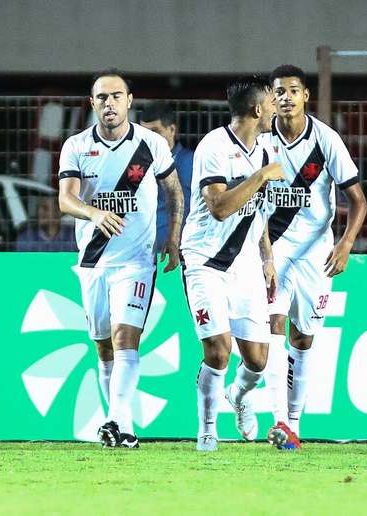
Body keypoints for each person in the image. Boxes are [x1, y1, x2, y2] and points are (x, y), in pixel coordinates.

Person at [58, 69, 184, 449]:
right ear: (91, 104)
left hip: (136, 260)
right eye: (101, 98)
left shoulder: (151, 145)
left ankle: (120, 423)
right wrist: (94, 214)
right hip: (94, 260)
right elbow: (65, 199)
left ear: (129, 101)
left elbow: (175, 193)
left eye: (116, 96)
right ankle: (115, 422)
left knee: (126, 336)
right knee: (102, 345)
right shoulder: (76, 146)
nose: (109, 103)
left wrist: (173, 238)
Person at [262, 65, 367, 449]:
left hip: (315, 254)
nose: (285, 98)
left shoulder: (325, 140)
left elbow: (358, 201)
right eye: (278, 92)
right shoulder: (259, 140)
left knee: (302, 337)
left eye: (293, 90)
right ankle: (279, 421)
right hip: (271, 250)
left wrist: (345, 244)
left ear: (305, 95)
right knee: (272, 323)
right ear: (270, 98)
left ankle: (294, 421)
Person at [181, 75, 284, 452]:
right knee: (219, 350)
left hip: (244, 267)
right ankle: (207, 431)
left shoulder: (266, 150)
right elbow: (221, 207)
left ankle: (238, 397)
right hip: (204, 261)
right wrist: (259, 177)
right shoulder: (214, 146)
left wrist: (267, 256)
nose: (276, 107)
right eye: (272, 102)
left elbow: (257, 214)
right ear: (257, 109)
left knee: (256, 362)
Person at [139, 101, 194, 249]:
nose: (149, 139)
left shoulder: (192, 162)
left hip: (181, 252)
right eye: (144, 133)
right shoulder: (134, 166)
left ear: (172, 129)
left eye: (155, 132)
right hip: (142, 254)